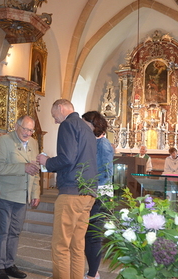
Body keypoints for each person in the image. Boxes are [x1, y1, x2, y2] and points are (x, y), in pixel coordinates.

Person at [37, 99, 97, 279]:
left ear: (60, 108)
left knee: (61, 246)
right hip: (88, 193)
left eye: (54, 116)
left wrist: (46, 162)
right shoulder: (87, 128)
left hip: (72, 192)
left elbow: (67, 158)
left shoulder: (68, 124)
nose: (55, 120)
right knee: (77, 246)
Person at [0, 115, 40, 279]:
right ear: (16, 126)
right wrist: (22, 168)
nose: (28, 133)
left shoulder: (33, 142)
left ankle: (9, 264)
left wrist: (35, 192)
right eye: (25, 129)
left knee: (15, 232)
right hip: (5, 194)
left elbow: (36, 170)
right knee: (2, 232)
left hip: (22, 196)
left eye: (31, 130)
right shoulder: (4, 141)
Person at [82, 111, 114, 279]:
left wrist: (88, 185)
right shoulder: (94, 142)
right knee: (88, 235)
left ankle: (93, 274)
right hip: (92, 193)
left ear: (92, 124)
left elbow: (105, 174)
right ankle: (93, 271)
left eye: (84, 123)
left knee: (93, 236)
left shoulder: (103, 144)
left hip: (98, 195)